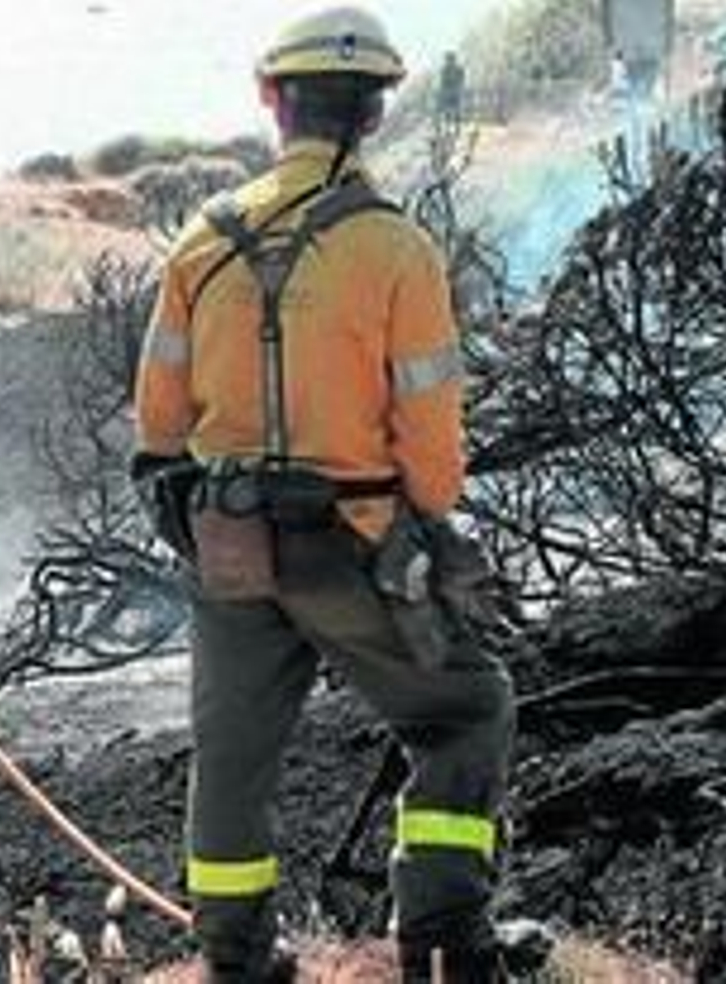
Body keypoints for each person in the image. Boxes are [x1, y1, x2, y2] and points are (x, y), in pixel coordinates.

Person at [131, 6, 514, 982]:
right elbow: (429, 442)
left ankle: (234, 956)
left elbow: (157, 424)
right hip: (356, 540)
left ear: (271, 100)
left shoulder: (199, 246)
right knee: (462, 712)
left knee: (231, 755)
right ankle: (440, 939)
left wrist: (197, 516)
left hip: (228, 546)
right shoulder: (396, 250)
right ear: (377, 114)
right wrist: (425, 522)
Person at [436, 51, 466, 127]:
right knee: (448, 111)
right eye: (448, 59)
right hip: (449, 90)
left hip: (454, 90)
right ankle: (448, 126)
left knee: (456, 111)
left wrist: (459, 87)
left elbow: (462, 79)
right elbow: (442, 81)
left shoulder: (458, 69)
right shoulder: (444, 69)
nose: (449, 61)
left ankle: (456, 126)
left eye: (450, 59)